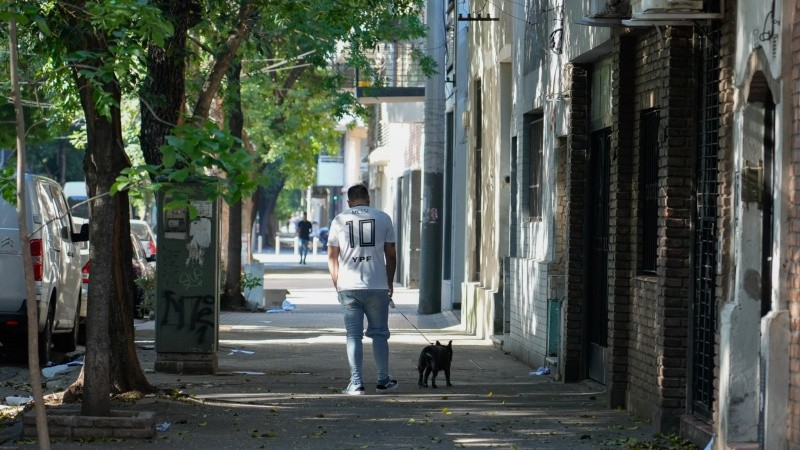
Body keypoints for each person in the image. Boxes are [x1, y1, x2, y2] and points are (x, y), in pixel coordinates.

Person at [327, 184, 397, 395]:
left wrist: (337, 284)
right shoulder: (383, 218)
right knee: (379, 334)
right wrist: (389, 281)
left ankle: (356, 383)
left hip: (348, 286)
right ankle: (383, 380)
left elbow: (332, 256)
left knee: (353, 336)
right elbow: (391, 254)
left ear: (349, 202)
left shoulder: (338, 220)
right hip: (377, 285)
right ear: (368, 198)